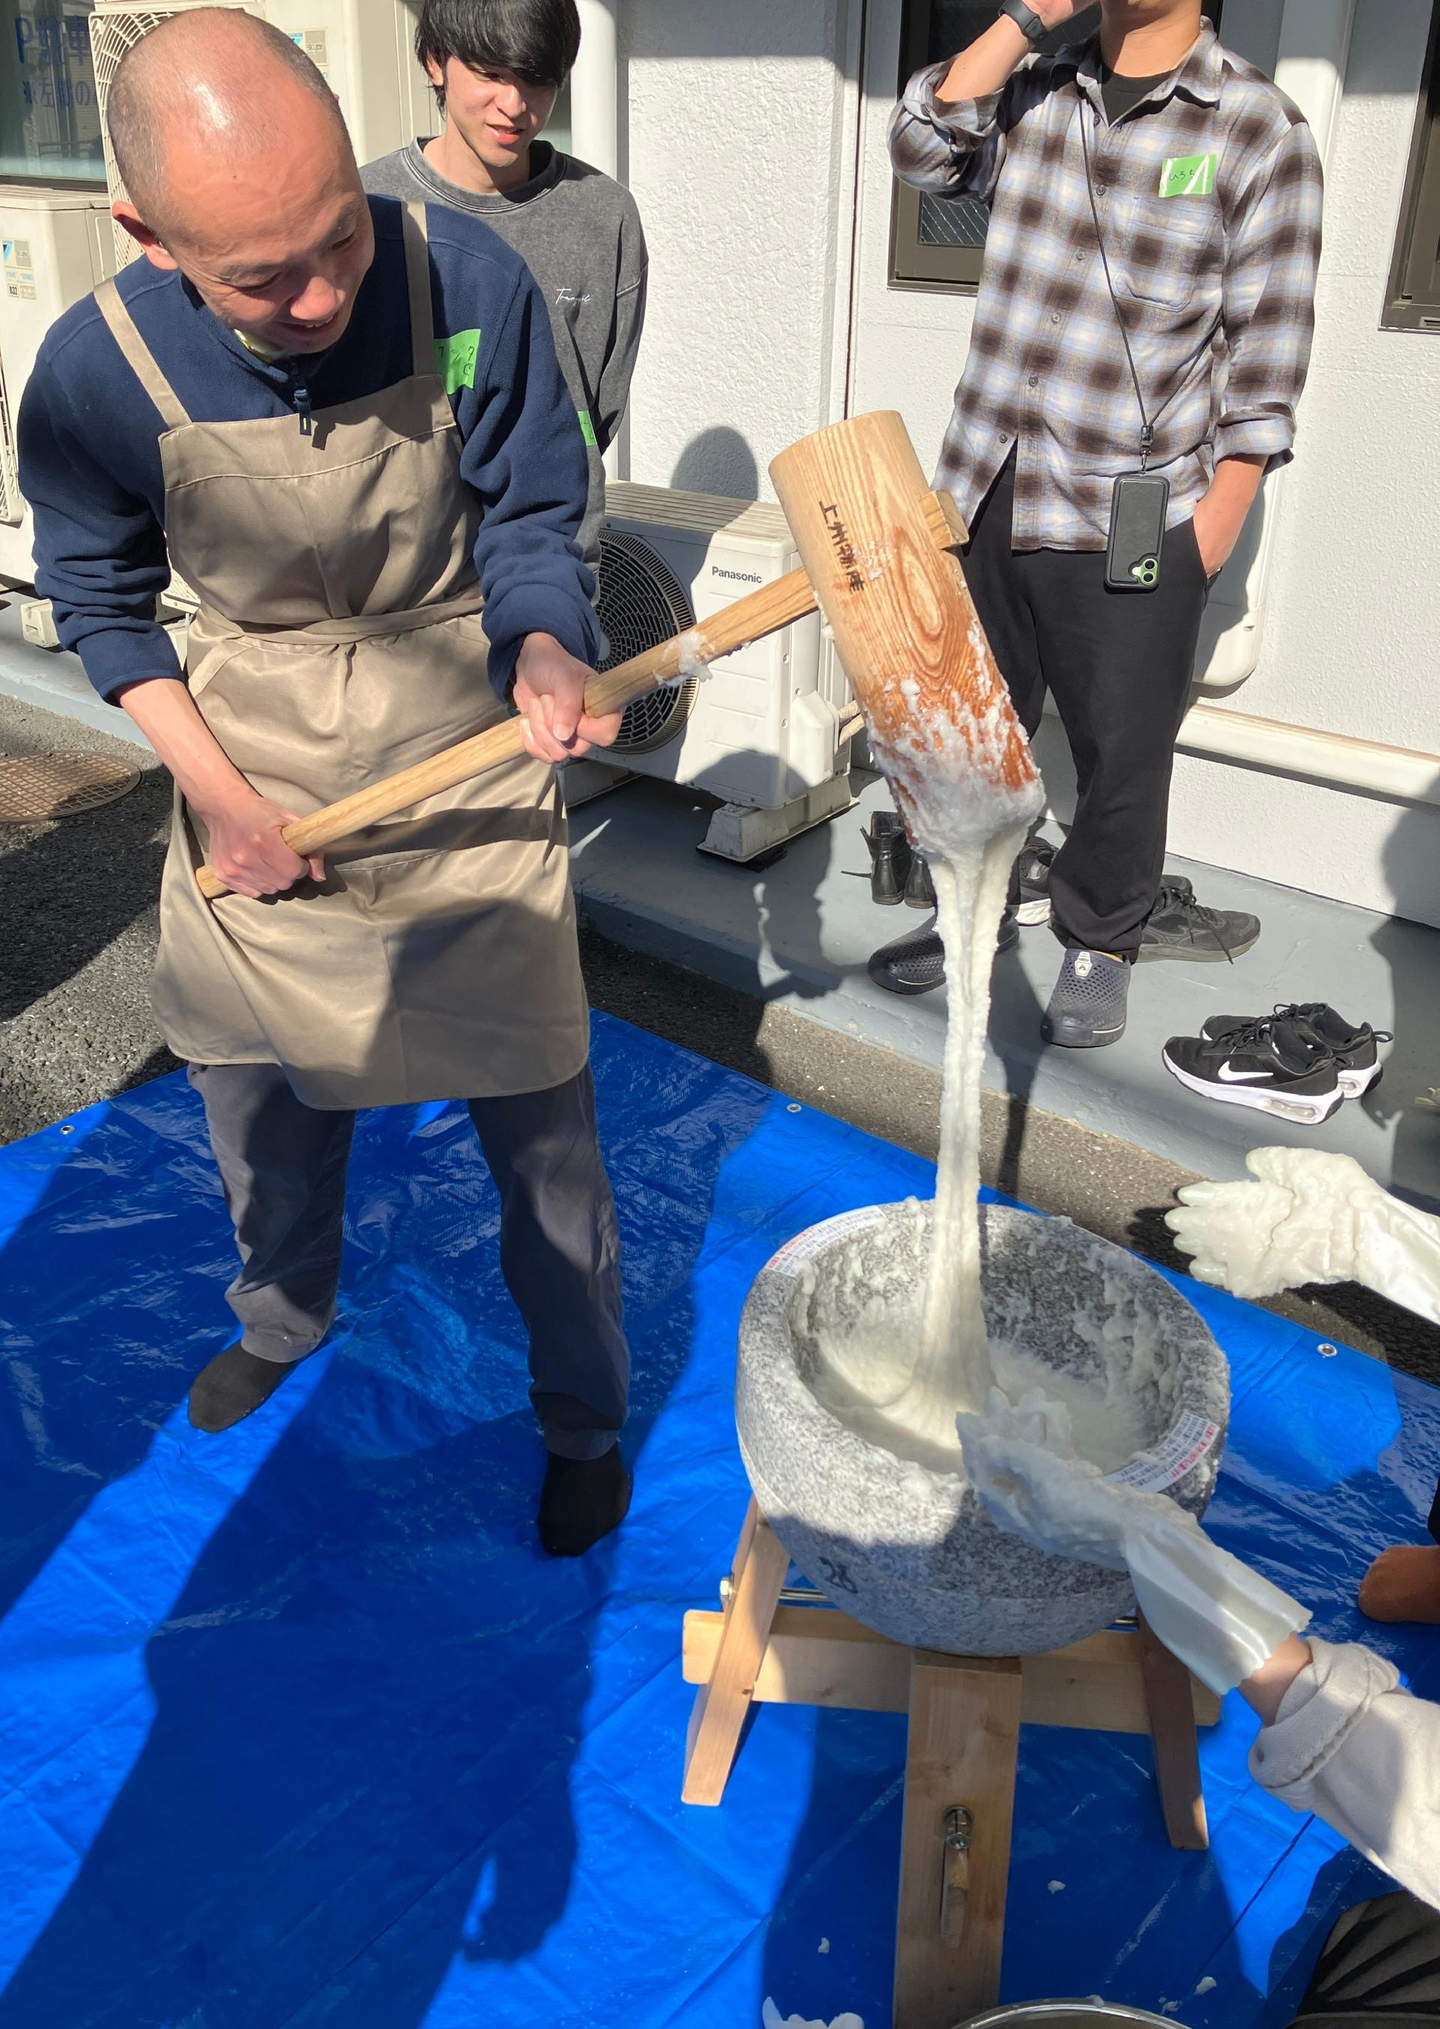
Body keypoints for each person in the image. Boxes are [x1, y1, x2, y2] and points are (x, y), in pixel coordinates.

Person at [17, 8, 632, 1558]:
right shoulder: (96, 370)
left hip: (462, 748)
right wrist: (219, 800)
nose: (320, 296)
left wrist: (543, 640)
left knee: (546, 1143)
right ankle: (283, 1315)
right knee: (253, 1095)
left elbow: (533, 508)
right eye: (261, 277)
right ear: (147, 235)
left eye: (340, 239)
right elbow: (99, 602)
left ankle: (584, 1415)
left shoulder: (466, 279)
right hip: (253, 759)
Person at [879, 0, 1324, 1048]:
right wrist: (1026, 16)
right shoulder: (1038, 89)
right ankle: (970, 916)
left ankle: (1101, 939)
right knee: (973, 731)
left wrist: (1208, 534)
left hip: (1136, 503)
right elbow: (920, 147)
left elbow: (1267, 356)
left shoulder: (1259, 128)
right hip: (991, 474)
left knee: (1123, 748)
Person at [363, 0, 648, 572]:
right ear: (435, 62)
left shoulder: (603, 213)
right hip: (396, 579)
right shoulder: (368, 208)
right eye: (491, 73)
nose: (514, 105)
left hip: (552, 561)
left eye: (538, 80)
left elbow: (597, 408)